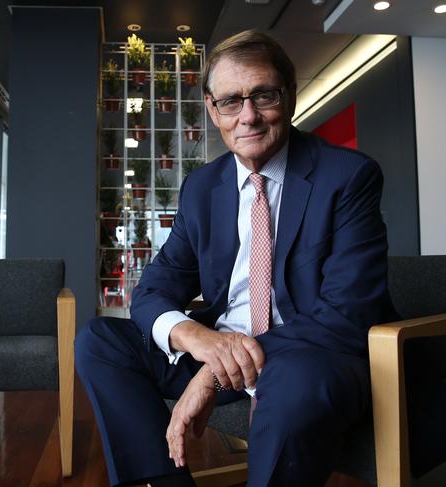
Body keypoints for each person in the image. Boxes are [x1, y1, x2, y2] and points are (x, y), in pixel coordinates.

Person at [76, 29, 396, 487]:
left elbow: (348, 315)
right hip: (222, 346)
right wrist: (194, 338)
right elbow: (153, 290)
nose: (248, 116)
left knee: (295, 378)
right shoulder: (203, 188)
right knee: (99, 339)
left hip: (307, 356)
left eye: (263, 96)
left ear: (289, 97)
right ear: (212, 110)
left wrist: (211, 373)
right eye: (230, 101)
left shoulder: (348, 177)